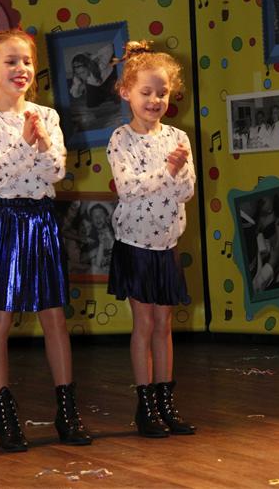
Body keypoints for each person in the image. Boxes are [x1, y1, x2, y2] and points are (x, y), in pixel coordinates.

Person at [0, 29, 92, 452]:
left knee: (55, 317)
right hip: (1, 221)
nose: (21, 69)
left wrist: (38, 145)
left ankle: (67, 411)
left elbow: (54, 170)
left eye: (27, 62)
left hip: (40, 220)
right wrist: (25, 145)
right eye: (11, 61)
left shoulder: (46, 116)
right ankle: (6, 415)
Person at [106, 39, 197, 438]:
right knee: (143, 322)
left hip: (166, 244)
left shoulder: (178, 138)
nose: (155, 100)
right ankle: (145, 407)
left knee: (164, 323)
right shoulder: (120, 139)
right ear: (126, 92)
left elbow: (186, 191)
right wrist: (167, 172)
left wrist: (178, 171)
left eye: (162, 93)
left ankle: (166, 403)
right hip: (135, 244)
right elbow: (128, 188)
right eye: (146, 92)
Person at [69, 44, 119, 108]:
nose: (81, 76)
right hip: (98, 86)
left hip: (110, 77)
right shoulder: (77, 77)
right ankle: (108, 96)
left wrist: (92, 57)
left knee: (117, 98)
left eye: (83, 72)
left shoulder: (99, 66)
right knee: (91, 104)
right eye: (78, 73)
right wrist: (78, 87)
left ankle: (112, 95)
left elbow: (110, 47)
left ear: (88, 67)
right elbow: (74, 94)